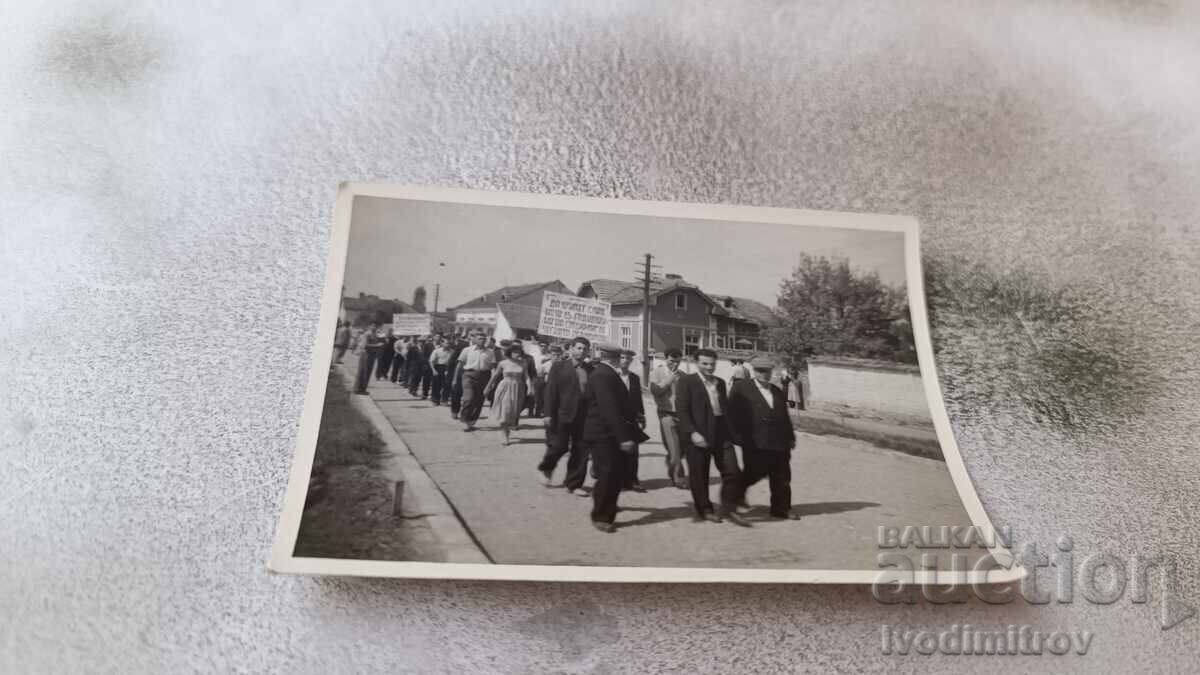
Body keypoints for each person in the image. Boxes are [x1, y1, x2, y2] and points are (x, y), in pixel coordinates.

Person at [582, 343, 648, 533]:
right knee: (608, 474)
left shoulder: (605, 373)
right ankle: (601, 516)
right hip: (604, 433)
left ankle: (605, 504)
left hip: (607, 432)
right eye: (619, 357)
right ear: (614, 358)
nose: (621, 361)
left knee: (612, 473)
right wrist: (623, 438)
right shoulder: (604, 375)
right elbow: (608, 407)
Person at [676, 348, 743, 523]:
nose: (709, 367)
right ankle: (704, 509)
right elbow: (681, 410)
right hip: (698, 432)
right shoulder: (686, 381)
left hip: (721, 431)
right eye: (705, 363)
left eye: (712, 364)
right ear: (697, 363)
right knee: (699, 474)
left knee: (733, 471)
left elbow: (725, 408)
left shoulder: (720, 382)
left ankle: (728, 507)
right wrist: (692, 432)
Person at [728, 357, 799, 520]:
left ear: (771, 371)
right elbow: (732, 414)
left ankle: (781, 508)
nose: (764, 375)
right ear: (754, 371)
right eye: (760, 371)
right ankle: (732, 497)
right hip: (754, 440)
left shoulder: (777, 390)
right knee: (753, 472)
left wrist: (791, 437)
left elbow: (784, 416)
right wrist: (737, 437)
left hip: (779, 440)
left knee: (782, 476)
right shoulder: (741, 387)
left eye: (767, 371)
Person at [539, 336, 593, 494]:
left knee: (581, 449)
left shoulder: (591, 370)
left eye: (584, 349)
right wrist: (548, 413)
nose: (581, 352)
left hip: (584, 415)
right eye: (578, 348)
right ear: (571, 349)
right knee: (558, 446)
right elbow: (551, 391)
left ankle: (574, 484)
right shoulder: (559, 366)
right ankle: (547, 468)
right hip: (562, 413)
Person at [648, 347, 688, 490]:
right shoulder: (656, 373)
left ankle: (672, 463)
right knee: (674, 448)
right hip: (666, 414)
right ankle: (678, 477)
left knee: (682, 448)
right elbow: (656, 391)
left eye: (678, 362)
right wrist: (671, 377)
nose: (675, 365)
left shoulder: (683, 375)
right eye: (672, 361)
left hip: (682, 415)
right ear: (666, 359)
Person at [484, 344, 529, 445]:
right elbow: (495, 376)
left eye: (519, 352)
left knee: (513, 411)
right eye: (515, 352)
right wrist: (488, 387)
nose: (517, 354)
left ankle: (507, 429)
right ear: (510, 353)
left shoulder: (524, 363)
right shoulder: (503, 363)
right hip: (504, 387)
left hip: (518, 388)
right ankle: (504, 434)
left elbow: (526, 377)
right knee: (504, 410)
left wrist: (530, 387)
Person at [617, 349, 647, 492]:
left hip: (631, 418)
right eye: (622, 357)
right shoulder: (612, 375)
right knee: (616, 450)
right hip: (615, 417)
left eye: (628, 358)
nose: (625, 360)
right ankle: (618, 480)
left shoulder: (634, 377)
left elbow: (638, 399)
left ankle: (632, 480)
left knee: (633, 451)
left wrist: (642, 416)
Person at [456, 331, 496, 431]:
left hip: (484, 377)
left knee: (479, 401)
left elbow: (493, 368)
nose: (482, 340)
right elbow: (459, 365)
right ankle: (464, 419)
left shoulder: (490, 352)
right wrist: (454, 379)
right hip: (469, 375)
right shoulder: (467, 350)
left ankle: (472, 421)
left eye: (483, 339)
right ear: (474, 339)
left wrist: (492, 381)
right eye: (479, 338)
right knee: (468, 399)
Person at [353, 323, 384, 395]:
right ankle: (357, 389)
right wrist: (377, 345)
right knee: (362, 371)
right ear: (370, 326)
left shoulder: (375, 335)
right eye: (373, 326)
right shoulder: (367, 334)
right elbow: (364, 345)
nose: (375, 327)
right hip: (366, 354)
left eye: (376, 326)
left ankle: (363, 389)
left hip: (372, 355)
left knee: (368, 372)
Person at [428, 337, 454, 405]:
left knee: (447, 385)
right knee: (436, 385)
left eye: (449, 343)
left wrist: (449, 370)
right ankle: (435, 399)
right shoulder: (437, 351)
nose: (448, 345)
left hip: (448, 369)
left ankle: (444, 399)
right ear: (442, 343)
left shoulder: (452, 351)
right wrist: (434, 370)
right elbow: (431, 361)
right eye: (446, 343)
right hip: (438, 368)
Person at [447, 337, 468, 419]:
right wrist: (451, 376)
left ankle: (466, 413)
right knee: (456, 393)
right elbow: (451, 361)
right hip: (460, 372)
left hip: (472, 373)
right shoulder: (462, 345)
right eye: (471, 335)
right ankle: (455, 411)